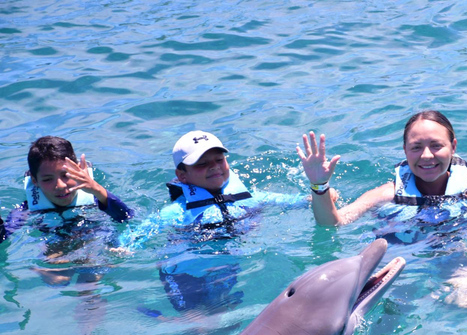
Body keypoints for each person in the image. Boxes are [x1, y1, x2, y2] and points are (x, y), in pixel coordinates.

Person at [121, 130, 310, 317]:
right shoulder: (177, 212)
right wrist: (121, 248)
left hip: (226, 267)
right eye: (202, 164)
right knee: (197, 324)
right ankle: (159, 318)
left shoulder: (249, 198)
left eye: (219, 160)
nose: (214, 167)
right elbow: (139, 234)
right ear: (182, 175)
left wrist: (314, 196)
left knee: (226, 318)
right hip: (185, 273)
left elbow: (293, 201)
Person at [298, 110, 467, 226]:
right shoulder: (386, 194)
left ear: (453, 146)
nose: (426, 156)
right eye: (416, 147)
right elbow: (334, 223)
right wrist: (319, 187)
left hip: (457, 249)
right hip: (401, 255)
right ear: (404, 151)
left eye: (436, 145)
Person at [2, 136, 133, 242]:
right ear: (35, 181)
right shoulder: (27, 209)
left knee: (94, 260)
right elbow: (4, 235)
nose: (60, 185)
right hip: (55, 242)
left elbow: (126, 217)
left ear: (79, 171)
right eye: (48, 179)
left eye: (66, 175)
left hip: (93, 235)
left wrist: (96, 189)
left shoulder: (95, 197)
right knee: (54, 267)